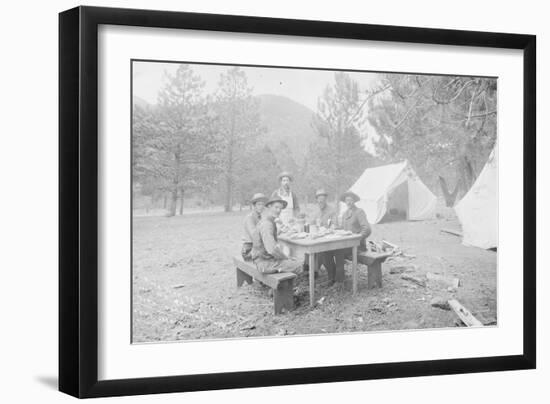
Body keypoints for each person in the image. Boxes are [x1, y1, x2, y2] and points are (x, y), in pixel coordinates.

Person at [251, 197, 303, 274]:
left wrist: (279, 231)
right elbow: (272, 249)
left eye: (280, 208)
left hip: (265, 259)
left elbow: (268, 238)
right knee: (299, 264)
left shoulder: (268, 220)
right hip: (265, 263)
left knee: (293, 260)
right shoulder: (267, 224)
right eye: (276, 207)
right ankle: (287, 284)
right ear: (269, 206)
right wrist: (286, 258)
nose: (278, 210)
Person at [334, 190, 372, 276]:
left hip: (358, 246)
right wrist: (335, 229)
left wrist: (357, 239)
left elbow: (367, 229)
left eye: (350, 200)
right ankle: (333, 276)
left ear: (354, 201)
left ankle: (340, 281)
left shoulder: (359, 212)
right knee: (330, 250)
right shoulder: (345, 214)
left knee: (338, 252)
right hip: (347, 245)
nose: (349, 202)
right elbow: (344, 229)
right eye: (347, 200)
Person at [310, 189, 340, 283]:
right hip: (318, 237)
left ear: (326, 199)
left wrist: (328, 229)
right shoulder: (316, 210)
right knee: (309, 251)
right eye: (319, 201)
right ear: (317, 200)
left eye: (322, 200)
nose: (320, 202)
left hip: (330, 239)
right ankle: (312, 272)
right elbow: (311, 223)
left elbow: (335, 225)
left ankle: (332, 276)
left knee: (324, 253)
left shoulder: (332, 210)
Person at [241, 193, 267, 261]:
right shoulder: (249, 218)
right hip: (249, 249)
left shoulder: (261, 217)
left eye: (263, 204)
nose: (261, 207)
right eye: (259, 204)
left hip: (257, 248)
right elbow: (255, 236)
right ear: (254, 206)